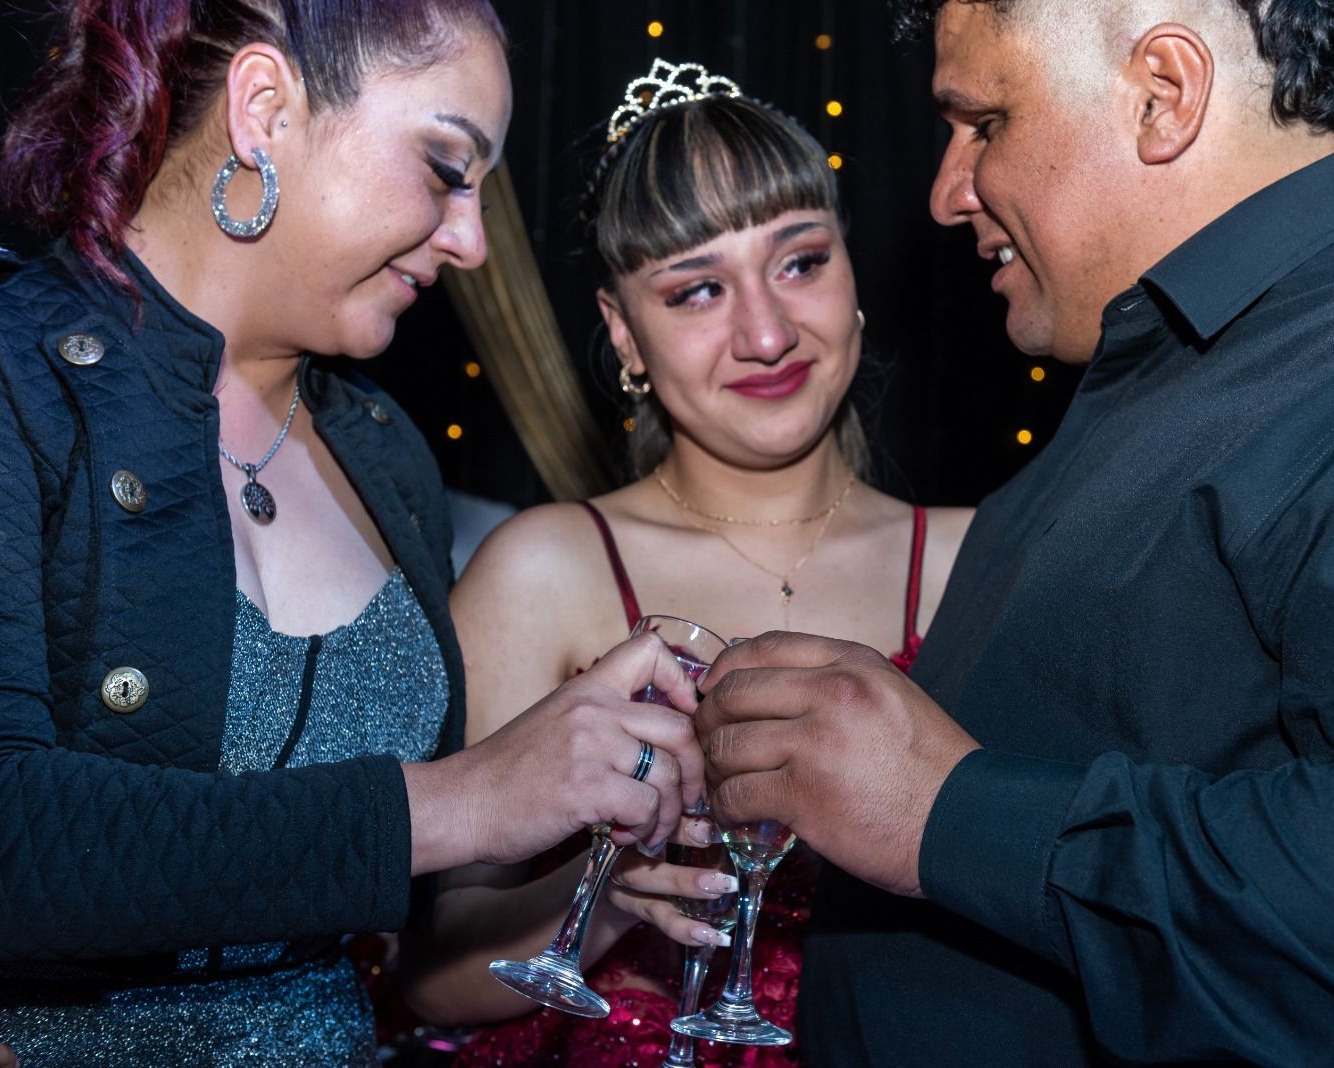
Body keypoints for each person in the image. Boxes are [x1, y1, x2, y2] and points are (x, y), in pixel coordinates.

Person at [695, 0, 1334, 1064]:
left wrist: (951, 817)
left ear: (1164, 93)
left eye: (985, 122)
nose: (944, 192)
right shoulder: (1157, 378)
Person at [0, 3, 704, 1063]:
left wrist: (604, 888)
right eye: (447, 166)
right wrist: (466, 796)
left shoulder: (384, 449)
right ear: (264, 108)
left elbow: (421, 952)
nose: (473, 241)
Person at [393, 61, 972, 1066]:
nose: (766, 331)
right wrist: (608, 903)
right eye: (698, 288)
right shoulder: (547, 570)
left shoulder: (979, 556)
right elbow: (429, 976)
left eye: (799, 262)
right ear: (624, 333)